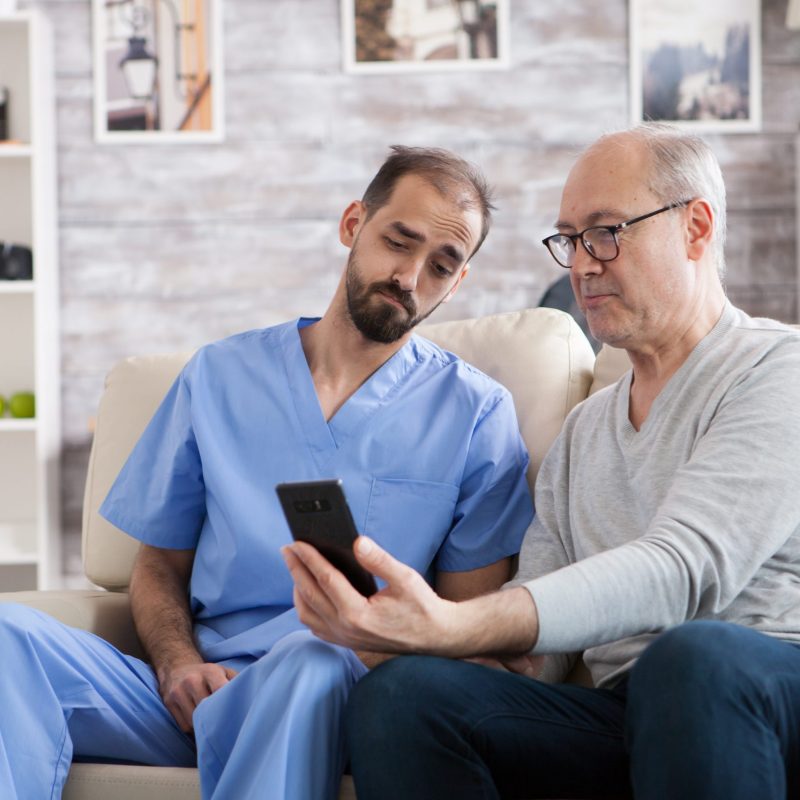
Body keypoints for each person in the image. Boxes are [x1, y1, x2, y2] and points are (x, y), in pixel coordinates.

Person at [0, 146, 534, 800]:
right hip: (199, 696)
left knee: (310, 661)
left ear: (459, 282)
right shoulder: (218, 376)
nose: (409, 276)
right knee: (7, 635)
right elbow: (158, 565)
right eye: (399, 240)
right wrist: (178, 667)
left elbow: (463, 630)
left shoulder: (477, 414)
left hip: (340, 693)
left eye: (441, 265)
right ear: (352, 225)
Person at [283, 124, 800, 800]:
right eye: (570, 240)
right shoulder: (585, 432)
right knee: (405, 695)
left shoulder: (775, 369)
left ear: (695, 228)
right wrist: (401, 640)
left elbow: (682, 570)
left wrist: (456, 621)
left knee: (691, 655)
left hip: (762, 691)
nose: (582, 264)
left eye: (606, 232)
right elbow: (540, 660)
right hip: (631, 714)